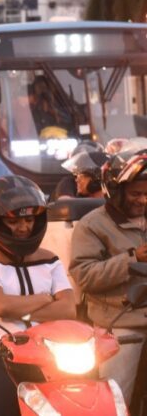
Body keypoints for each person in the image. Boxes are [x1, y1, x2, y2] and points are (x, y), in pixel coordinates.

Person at [0, 176, 75, 416]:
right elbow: (1, 306)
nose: (24, 227)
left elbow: (69, 309)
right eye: (14, 221)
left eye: (29, 219)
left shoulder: (50, 259)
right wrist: (46, 298)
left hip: (50, 352)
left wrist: (21, 308)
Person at [69, 147, 147, 406]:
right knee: (115, 400)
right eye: (136, 193)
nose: (144, 200)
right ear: (116, 191)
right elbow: (84, 275)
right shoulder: (92, 225)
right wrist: (133, 258)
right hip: (121, 325)